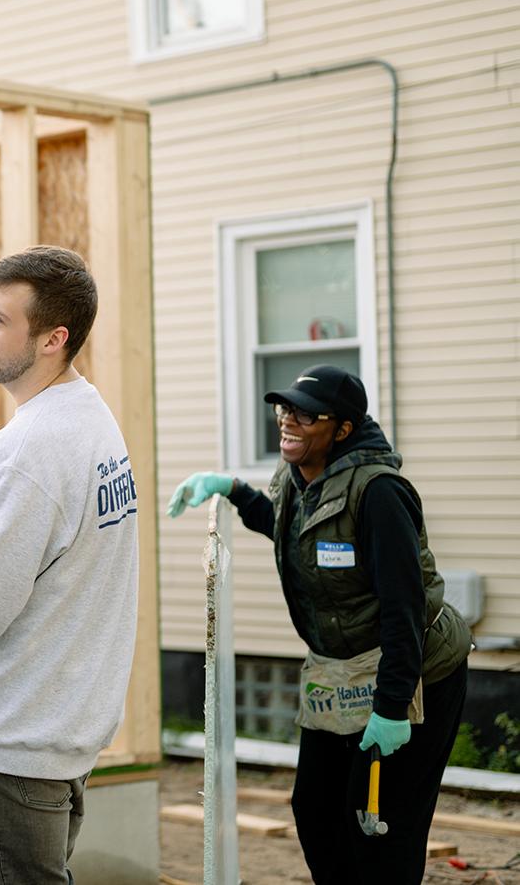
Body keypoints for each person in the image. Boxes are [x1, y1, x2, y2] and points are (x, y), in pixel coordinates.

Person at [168, 364, 472, 884]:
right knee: (314, 808)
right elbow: (291, 532)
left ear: (343, 429)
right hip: (342, 670)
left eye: (306, 416)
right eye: (284, 409)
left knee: (379, 823)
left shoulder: (379, 493)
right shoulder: (297, 478)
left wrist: (393, 707)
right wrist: (234, 489)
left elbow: (405, 606)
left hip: (415, 669)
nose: (288, 421)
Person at [0, 247, 140, 885]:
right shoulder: (85, 418)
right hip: (55, 732)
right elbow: (15, 556)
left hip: (12, 744)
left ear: (52, 338)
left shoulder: (27, 450)